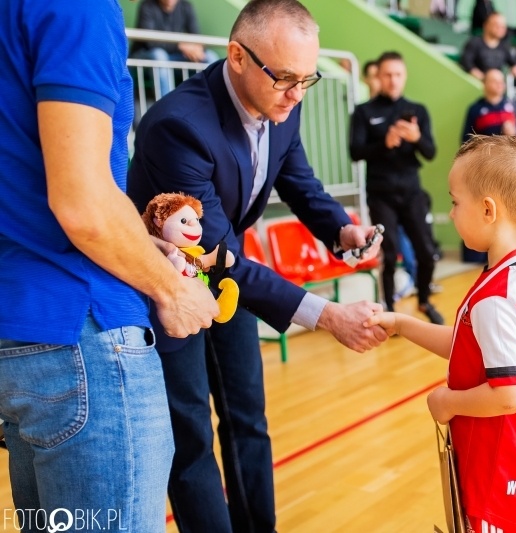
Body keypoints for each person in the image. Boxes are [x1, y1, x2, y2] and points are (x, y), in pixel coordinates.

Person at [127, 1, 389, 532]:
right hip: (170, 285)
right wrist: (327, 315)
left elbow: (299, 180)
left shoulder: (283, 103)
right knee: (191, 436)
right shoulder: (179, 126)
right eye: (286, 78)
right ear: (238, 56)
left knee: (248, 417)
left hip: (231, 280)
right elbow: (217, 255)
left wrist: (341, 229)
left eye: (307, 79)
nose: (297, 93)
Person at [0, 1, 219, 531]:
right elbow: (83, 203)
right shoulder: (79, 7)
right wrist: (173, 289)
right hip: (82, 334)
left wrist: (138, 245)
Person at [366, 134, 516, 533]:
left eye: (455, 202)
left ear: (487, 209)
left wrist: (447, 401)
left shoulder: (496, 297)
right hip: (513, 465)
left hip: (495, 472)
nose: (450, 214)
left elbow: (510, 395)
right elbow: (472, 347)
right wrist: (402, 324)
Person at [350, 51, 445, 324]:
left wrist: (417, 138)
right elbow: (355, 152)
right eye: (387, 75)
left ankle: (424, 300)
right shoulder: (364, 112)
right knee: (389, 255)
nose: (393, 80)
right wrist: (385, 143)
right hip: (381, 194)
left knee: (427, 252)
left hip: (412, 191)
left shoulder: (418, 110)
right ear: (378, 77)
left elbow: (430, 152)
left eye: (398, 74)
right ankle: (390, 310)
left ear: (404, 77)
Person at [130, 0, 220, 94]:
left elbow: (196, 36)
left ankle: (211, 100)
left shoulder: (185, 6)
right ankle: (167, 102)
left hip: (174, 57)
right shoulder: (147, 6)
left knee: (209, 56)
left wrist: (197, 49)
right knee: (159, 55)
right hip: (145, 56)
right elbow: (150, 42)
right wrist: (180, 46)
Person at [462, 69, 516, 142]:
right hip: (486, 148)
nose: (499, 84)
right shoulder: (475, 109)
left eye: (501, 81)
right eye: (494, 81)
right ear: (485, 83)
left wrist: (515, 131)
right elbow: (467, 139)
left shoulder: (514, 105)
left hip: (510, 147)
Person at [460, 13, 516, 81]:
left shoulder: (504, 46)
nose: (500, 29)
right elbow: (466, 62)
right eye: (496, 25)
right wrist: (482, 77)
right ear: (486, 25)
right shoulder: (474, 43)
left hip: (495, 83)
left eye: (503, 26)